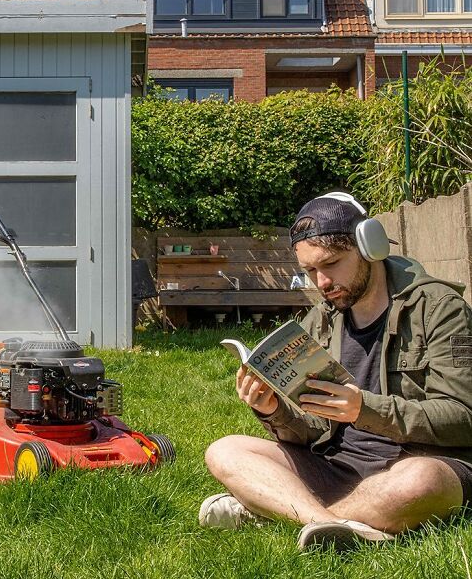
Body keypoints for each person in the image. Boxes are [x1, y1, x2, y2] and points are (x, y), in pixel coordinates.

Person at [200, 192, 472, 550]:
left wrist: (364, 409)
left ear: (369, 246)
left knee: (421, 482)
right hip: (335, 466)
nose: (322, 282)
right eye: (310, 271)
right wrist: (275, 411)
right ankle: (330, 523)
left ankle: (276, 509)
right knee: (225, 450)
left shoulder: (439, 309)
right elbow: (313, 430)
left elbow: (463, 417)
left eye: (331, 264)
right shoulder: (319, 322)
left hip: (414, 464)